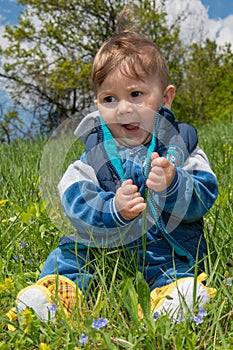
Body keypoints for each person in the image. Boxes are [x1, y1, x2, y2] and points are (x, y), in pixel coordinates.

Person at [9, 29, 218, 324]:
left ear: (166, 98)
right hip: (103, 250)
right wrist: (111, 208)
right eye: (109, 98)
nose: (123, 108)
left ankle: (171, 297)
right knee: (72, 256)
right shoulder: (95, 153)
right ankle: (58, 295)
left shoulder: (181, 145)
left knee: (177, 269)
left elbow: (205, 193)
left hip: (164, 251)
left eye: (136, 94)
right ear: (98, 105)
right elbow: (74, 195)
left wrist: (174, 185)